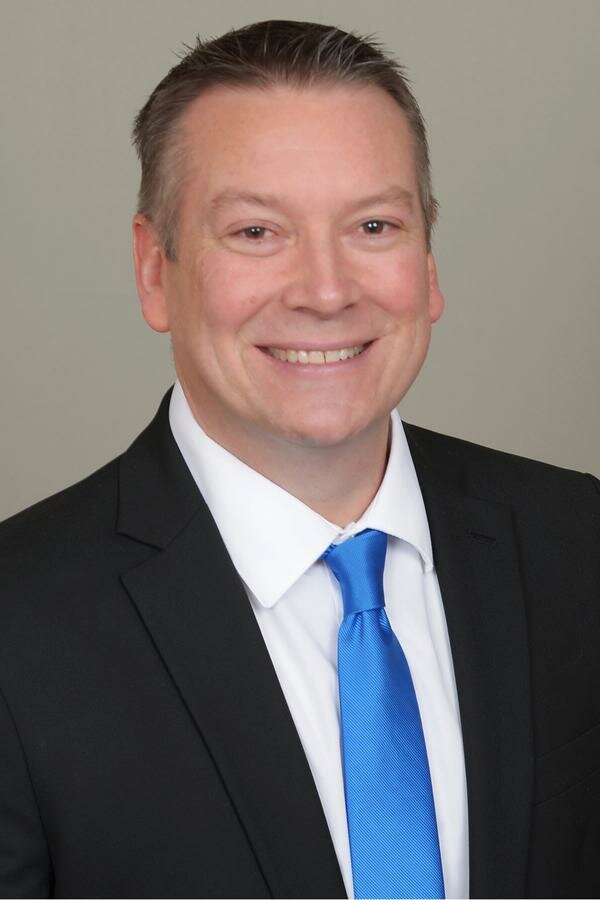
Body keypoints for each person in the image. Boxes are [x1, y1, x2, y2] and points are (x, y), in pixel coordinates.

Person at [0, 19, 598, 900]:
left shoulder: (578, 544)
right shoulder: (18, 628)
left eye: (373, 224)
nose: (326, 290)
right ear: (155, 271)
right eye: (256, 232)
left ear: (428, 263)